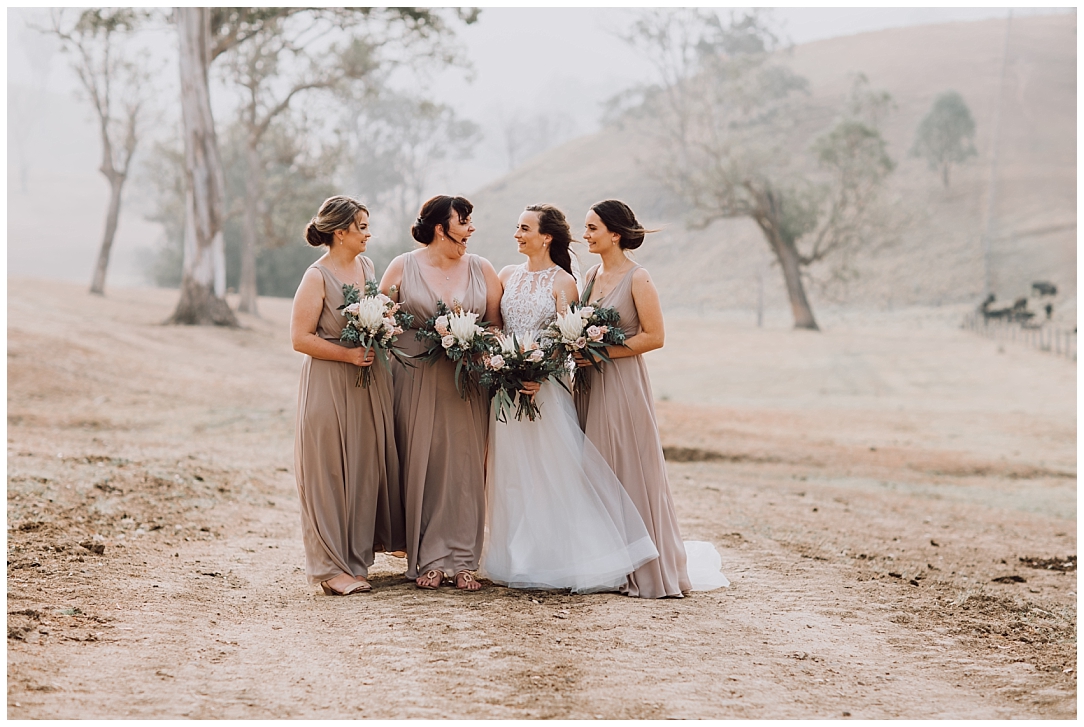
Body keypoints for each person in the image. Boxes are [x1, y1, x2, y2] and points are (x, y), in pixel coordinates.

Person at [479, 204, 659, 592]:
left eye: (524, 228)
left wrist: (537, 372)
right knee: (510, 473)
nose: (517, 234)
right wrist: (503, 363)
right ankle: (515, 557)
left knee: (552, 471)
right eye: (517, 227)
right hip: (505, 387)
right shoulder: (506, 275)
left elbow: (566, 338)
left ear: (546, 237)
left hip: (545, 388)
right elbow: (496, 327)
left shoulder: (565, 283)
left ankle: (562, 558)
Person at [574, 200, 709, 598]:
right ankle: (610, 564)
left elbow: (655, 336)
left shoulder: (638, 277)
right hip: (589, 383)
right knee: (595, 469)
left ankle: (646, 569)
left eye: (593, 228)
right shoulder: (590, 276)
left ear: (615, 234)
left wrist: (601, 353)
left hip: (622, 384)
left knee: (627, 467)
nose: (585, 235)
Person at [380, 195, 503, 591]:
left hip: (467, 381)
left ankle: (464, 559)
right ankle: (429, 557)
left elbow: (496, 326)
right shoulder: (402, 266)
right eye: (463, 221)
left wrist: (473, 341)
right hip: (413, 379)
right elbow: (382, 321)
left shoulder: (483, 268)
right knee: (423, 464)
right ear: (439, 228)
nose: (471, 229)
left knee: (466, 467)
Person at [290, 196, 404, 596]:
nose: (369, 234)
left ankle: (355, 562)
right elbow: (299, 338)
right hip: (329, 382)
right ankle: (329, 569)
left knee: (361, 469)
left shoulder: (367, 267)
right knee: (328, 471)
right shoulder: (317, 277)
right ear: (341, 232)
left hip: (367, 384)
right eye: (363, 227)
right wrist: (348, 355)